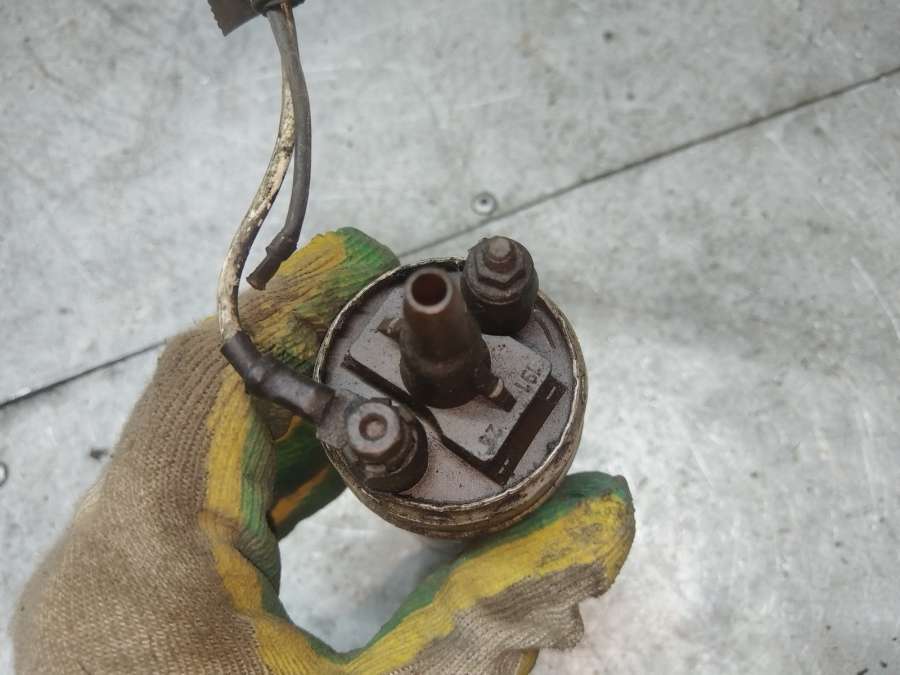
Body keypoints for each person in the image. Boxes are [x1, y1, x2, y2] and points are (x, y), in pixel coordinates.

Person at [12, 228, 634, 674]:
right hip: (453, 496)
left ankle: (405, 455)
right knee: (399, 464)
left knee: (399, 460)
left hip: (502, 480)